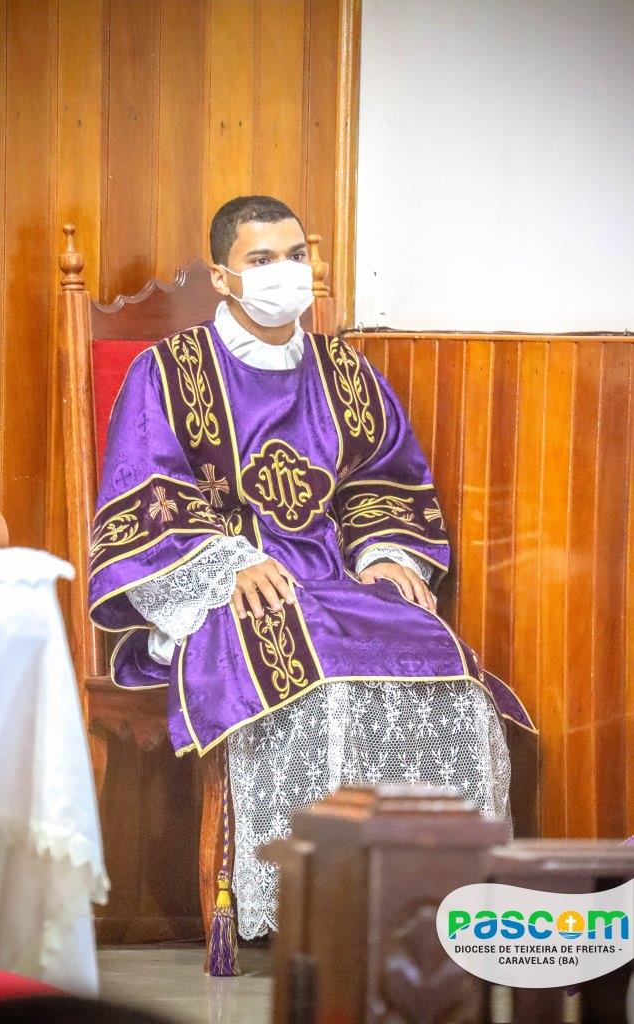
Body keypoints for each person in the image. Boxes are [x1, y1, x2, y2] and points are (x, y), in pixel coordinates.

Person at [88, 195, 535, 944]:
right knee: (315, 674)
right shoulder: (168, 372)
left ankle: (433, 900)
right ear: (223, 277)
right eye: (261, 260)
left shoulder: (345, 373)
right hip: (235, 591)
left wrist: (385, 555)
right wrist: (222, 567)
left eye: (295, 256)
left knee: (442, 664)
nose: (285, 272)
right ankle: (317, 910)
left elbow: (381, 482)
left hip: (337, 580)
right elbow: (149, 496)